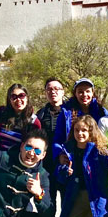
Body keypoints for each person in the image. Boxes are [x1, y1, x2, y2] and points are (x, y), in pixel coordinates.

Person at [53, 78, 108, 162]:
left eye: (87, 91)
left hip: (96, 157)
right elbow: (58, 138)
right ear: (75, 94)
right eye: (80, 92)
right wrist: (59, 154)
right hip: (73, 157)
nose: (84, 94)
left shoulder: (101, 111)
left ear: (92, 92)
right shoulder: (66, 114)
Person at [36, 78, 66, 206]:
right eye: (49, 89)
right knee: (49, 203)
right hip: (46, 166)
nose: (53, 92)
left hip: (66, 164)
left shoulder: (72, 112)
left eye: (56, 89)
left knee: (68, 205)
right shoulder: (41, 114)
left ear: (63, 92)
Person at [0, 83, 42, 151]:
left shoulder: (33, 122)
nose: (18, 100)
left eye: (21, 96)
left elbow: (34, 148)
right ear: (9, 100)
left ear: (27, 98)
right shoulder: (2, 114)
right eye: (14, 97)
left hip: (19, 160)